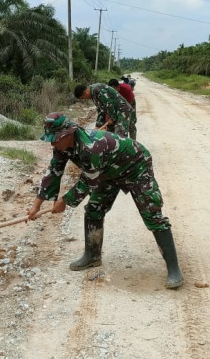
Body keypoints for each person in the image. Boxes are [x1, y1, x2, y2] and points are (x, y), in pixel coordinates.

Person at [27, 112, 184, 289]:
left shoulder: (91, 147)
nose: (52, 143)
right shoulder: (62, 147)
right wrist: (36, 206)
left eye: (55, 138)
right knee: (94, 208)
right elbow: (53, 173)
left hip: (135, 167)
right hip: (107, 171)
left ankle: (174, 269)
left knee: (152, 213)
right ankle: (92, 256)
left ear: (68, 133)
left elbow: (87, 182)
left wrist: (64, 201)